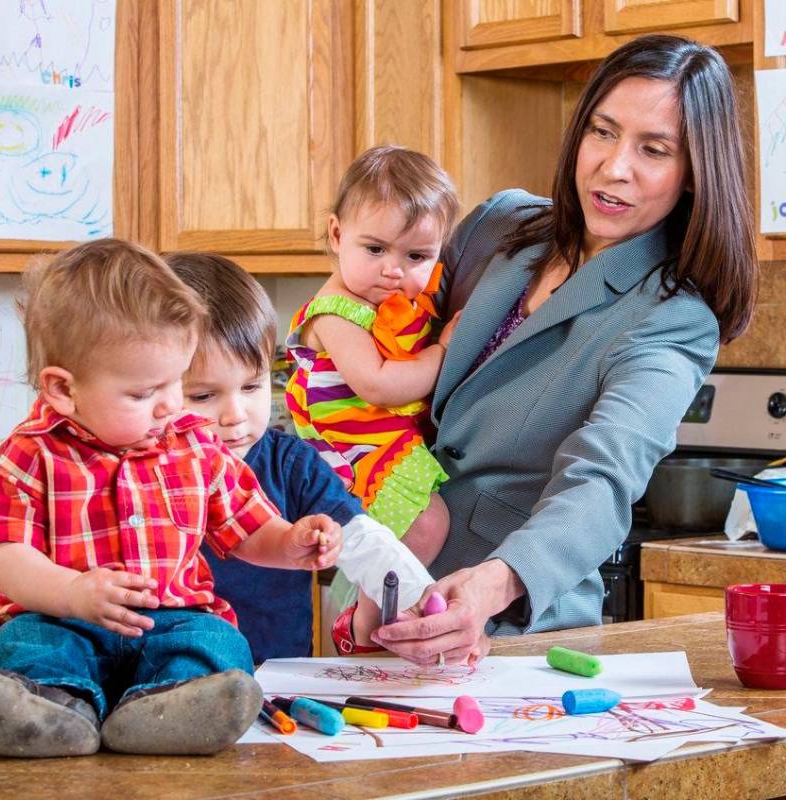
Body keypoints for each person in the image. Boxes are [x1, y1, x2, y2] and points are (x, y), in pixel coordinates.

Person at [370, 34, 758, 667]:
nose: (614, 167)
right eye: (602, 132)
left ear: (693, 176)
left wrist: (495, 582)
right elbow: (385, 317)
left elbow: (602, 479)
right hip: (378, 584)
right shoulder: (499, 227)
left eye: (653, 150)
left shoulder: (672, 319)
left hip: (507, 632)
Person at [0, 239, 343, 759]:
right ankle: (54, 709)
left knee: (219, 644)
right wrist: (72, 594)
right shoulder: (28, 454)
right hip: (62, 618)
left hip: (172, 620)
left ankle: (163, 709)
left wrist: (289, 543)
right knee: (25, 645)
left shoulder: (195, 443)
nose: (171, 405)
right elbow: (5, 559)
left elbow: (246, 528)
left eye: (177, 382)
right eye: (143, 393)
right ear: (63, 390)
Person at [166, 251, 437, 660]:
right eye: (203, 396)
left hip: (277, 673)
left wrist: (424, 596)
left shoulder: (291, 464)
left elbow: (361, 538)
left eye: (252, 387)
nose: (235, 416)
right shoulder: (139, 471)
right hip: (167, 678)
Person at [284, 145, 460, 648]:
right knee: (425, 526)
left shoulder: (396, 303)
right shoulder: (337, 312)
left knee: (425, 526)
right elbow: (379, 385)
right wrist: (443, 351)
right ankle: (363, 628)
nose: (393, 270)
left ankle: (376, 618)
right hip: (352, 456)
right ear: (337, 235)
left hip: (384, 445)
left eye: (416, 256)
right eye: (375, 249)